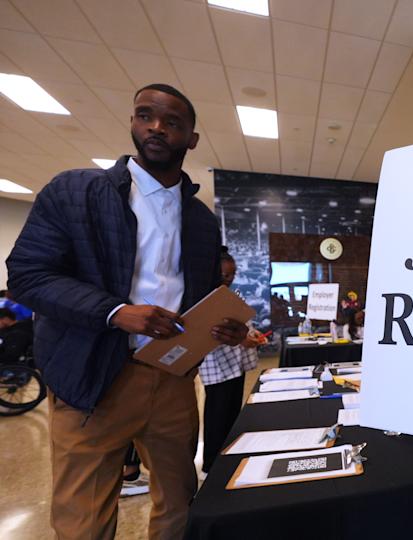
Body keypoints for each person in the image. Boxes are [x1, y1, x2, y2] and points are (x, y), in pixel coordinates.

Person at [5, 83, 248, 540]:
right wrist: (116, 311)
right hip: (91, 376)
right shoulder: (76, 191)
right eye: (145, 115)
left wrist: (219, 326)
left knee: (178, 500)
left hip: (171, 378)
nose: (156, 127)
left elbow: (196, 297)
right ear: (134, 123)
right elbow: (27, 275)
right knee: (84, 520)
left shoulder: (199, 219)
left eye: (172, 122)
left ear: (191, 138)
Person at [197, 248, 260, 475]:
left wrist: (249, 335)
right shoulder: (203, 298)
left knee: (232, 411)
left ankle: (227, 455)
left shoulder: (229, 296)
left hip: (235, 364)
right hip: (216, 366)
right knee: (217, 413)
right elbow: (206, 332)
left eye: (232, 275)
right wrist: (241, 338)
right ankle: (211, 464)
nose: (230, 279)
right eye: (225, 275)